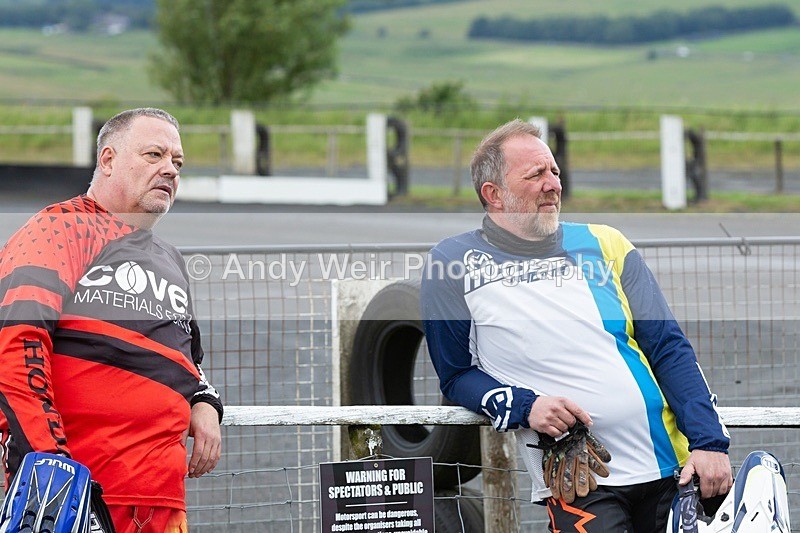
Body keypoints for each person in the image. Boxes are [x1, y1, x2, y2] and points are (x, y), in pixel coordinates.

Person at [420, 119, 732, 532]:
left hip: (670, 468)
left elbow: (667, 347)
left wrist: (709, 442)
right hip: (578, 479)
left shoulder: (606, 242)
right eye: (535, 175)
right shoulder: (451, 264)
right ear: (493, 194)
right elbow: (456, 376)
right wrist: (525, 406)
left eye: (555, 172)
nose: (553, 185)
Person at [0, 108, 223, 533]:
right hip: (73, 497)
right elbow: (16, 341)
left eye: (177, 162)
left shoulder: (171, 260)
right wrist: (50, 463)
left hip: (163, 501)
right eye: (154, 154)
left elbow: (190, 360)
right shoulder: (60, 227)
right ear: (107, 160)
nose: (169, 170)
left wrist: (206, 402)